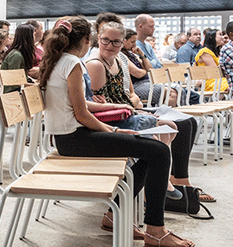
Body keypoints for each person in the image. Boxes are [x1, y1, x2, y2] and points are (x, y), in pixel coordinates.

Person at [37, 17, 195, 247]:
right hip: (76, 139)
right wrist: (114, 130)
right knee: (159, 152)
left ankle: (115, 216)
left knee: (151, 153)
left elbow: (76, 105)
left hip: (68, 138)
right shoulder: (73, 63)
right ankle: (155, 231)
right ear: (85, 40)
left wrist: (111, 114)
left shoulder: (58, 60)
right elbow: (81, 115)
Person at [87, 17, 208, 204]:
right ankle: (157, 188)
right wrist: (132, 107)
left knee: (174, 126)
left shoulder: (119, 59)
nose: (110, 45)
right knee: (167, 129)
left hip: (126, 110)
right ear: (98, 39)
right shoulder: (96, 64)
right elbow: (104, 104)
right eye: (106, 40)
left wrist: (134, 105)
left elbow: (127, 92)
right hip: (113, 118)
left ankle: (161, 183)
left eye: (116, 42)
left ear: (122, 43)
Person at [0, 23, 36, 92]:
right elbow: (15, 81)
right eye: (33, 35)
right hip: (12, 93)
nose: (34, 37)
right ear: (27, 37)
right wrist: (34, 85)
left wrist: (33, 81)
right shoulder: (16, 55)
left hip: (18, 89)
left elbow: (22, 77)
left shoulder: (20, 54)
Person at [194, 29, 229, 94]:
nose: (223, 37)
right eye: (220, 35)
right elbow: (215, 72)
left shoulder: (217, 52)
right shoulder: (205, 52)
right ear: (211, 37)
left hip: (219, 80)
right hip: (210, 81)